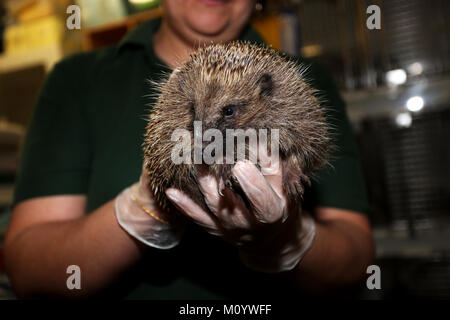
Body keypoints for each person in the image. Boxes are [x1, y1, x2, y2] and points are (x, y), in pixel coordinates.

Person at [4, 0, 374, 299]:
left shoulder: (309, 79)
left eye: (228, 112)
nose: (207, 132)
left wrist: (287, 238)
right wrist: (144, 209)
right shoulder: (75, 80)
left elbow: (356, 265)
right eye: (198, 115)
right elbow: (26, 274)